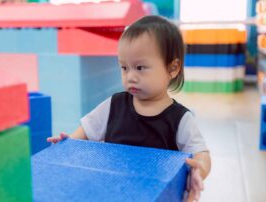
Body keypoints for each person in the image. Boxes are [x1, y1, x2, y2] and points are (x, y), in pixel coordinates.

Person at [47, 15, 211, 202]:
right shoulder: (114, 105)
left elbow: (201, 153)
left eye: (140, 68)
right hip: (113, 192)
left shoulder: (181, 119)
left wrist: (199, 169)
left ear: (173, 68)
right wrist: (68, 145)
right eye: (124, 68)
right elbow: (85, 131)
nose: (130, 76)